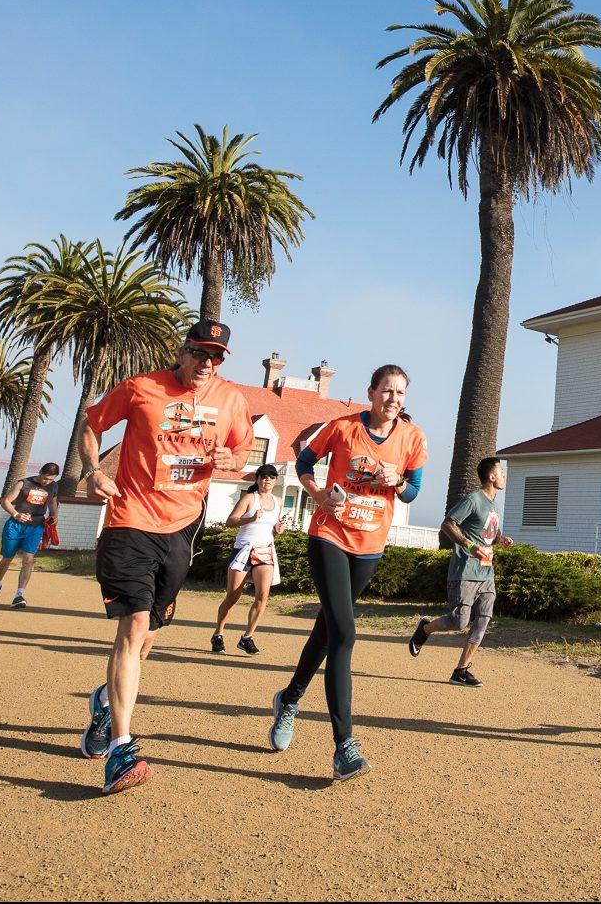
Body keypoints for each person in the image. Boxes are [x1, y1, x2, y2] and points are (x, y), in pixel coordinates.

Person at [77, 319, 251, 794]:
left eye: (215, 356)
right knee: (133, 627)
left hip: (182, 527)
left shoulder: (232, 399)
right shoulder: (142, 388)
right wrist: (93, 471)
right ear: (183, 350)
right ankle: (121, 747)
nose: (206, 363)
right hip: (130, 519)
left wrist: (233, 462)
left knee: (149, 634)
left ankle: (104, 701)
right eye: (199, 353)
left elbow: (243, 446)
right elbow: (91, 424)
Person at [267, 364, 427, 782]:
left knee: (328, 629)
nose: (393, 399)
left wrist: (397, 483)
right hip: (329, 536)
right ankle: (344, 747)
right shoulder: (341, 429)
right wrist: (318, 493)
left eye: (400, 394)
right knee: (346, 632)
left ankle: (288, 699)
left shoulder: (412, 438)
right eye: (386, 391)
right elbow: (303, 460)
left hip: (370, 547)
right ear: (371, 392)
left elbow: (415, 488)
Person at [409, 456, 514, 687]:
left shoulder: (493, 504)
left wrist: (500, 540)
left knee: (483, 619)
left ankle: (461, 670)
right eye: (501, 472)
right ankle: (425, 629)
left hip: (486, 574)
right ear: (492, 476)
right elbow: (448, 524)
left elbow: (488, 534)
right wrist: (469, 546)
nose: (504, 476)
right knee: (459, 622)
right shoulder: (473, 499)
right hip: (465, 571)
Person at [212, 464, 283, 656]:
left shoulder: (278, 501)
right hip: (243, 550)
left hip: (265, 551)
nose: (266, 480)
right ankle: (218, 633)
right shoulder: (249, 498)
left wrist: (277, 531)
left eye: (270, 477)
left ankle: (247, 638)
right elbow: (230, 521)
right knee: (233, 596)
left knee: (262, 596)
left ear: (275, 480)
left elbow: (271, 528)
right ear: (257, 480)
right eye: (263, 477)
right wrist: (249, 519)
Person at [0, 465, 59, 607]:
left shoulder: (53, 487)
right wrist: (16, 514)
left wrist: (54, 515)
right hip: (15, 525)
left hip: (36, 526)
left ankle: (19, 596)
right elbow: (5, 501)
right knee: (7, 559)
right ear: (40, 473)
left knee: (28, 559)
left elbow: (52, 502)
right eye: (45, 478)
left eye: (50, 479)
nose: (47, 482)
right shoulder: (24, 483)